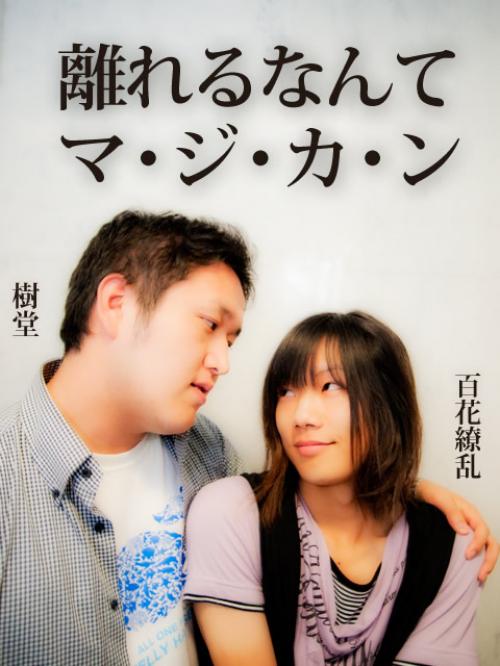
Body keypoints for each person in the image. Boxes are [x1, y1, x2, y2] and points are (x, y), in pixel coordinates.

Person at [0, 213, 495, 666]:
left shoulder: (205, 452)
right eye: (210, 325)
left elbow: (299, 495)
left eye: (230, 340)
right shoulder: (9, 482)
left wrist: (407, 491)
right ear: (116, 304)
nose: (223, 362)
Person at [185, 311, 489, 666]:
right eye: (286, 391)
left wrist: (410, 488)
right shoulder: (232, 513)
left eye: (331, 386)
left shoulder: (453, 544)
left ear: (389, 404)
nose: (301, 416)